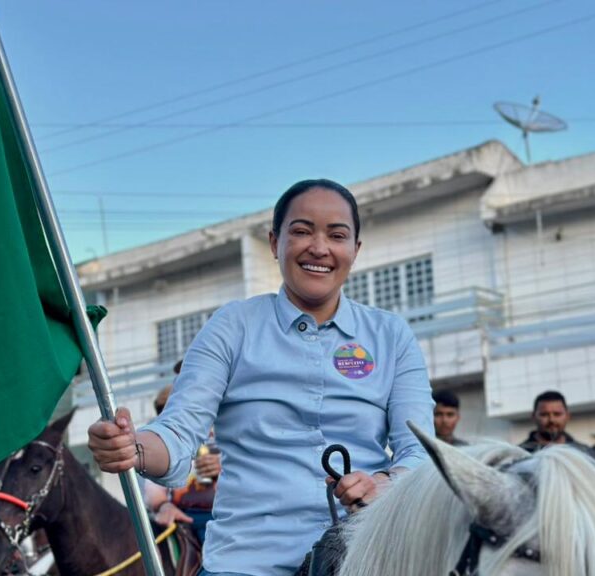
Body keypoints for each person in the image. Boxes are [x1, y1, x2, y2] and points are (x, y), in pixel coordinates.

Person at [88, 178, 435, 576]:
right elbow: (179, 433)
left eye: (336, 235)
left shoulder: (391, 335)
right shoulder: (232, 326)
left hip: (368, 556)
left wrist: (386, 483)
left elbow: (421, 452)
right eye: (301, 231)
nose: (319, 248)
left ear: (354, 250)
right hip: (246, 562)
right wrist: (133, 447)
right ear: (274, 243)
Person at [144, 377, 221, 543]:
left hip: (226, 513)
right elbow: (154, 487)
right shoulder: (165, 447)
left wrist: (223, 465)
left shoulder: (220, 433)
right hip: (185, 518)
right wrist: (164, 505)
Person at [519, 390, 595, 457]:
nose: (551, 420)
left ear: (567, 416)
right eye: (544, 414)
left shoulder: (584, 453)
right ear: (533, 417)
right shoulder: (520, 454)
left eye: (557, 414)